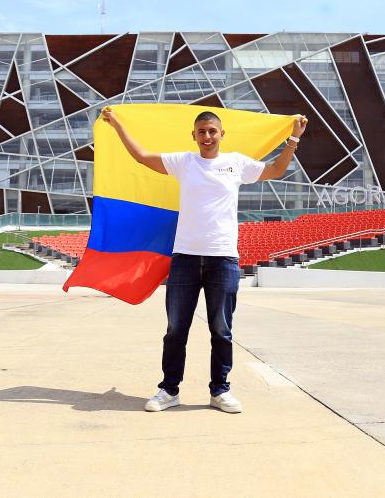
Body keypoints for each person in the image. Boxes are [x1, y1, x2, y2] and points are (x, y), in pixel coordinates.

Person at [101, 106, 308, 413]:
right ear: (194, 136)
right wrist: (117, 123)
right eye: (202, 132)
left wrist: (293, 138)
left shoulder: (236, 163)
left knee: (221, 330)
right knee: (176, 329)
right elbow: (142, 157)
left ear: (222, 134)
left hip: (222, 259)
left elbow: (276, 170)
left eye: (212, 131)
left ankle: (220, 391)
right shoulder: (184, 162)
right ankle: (169, 390)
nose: (207, 136)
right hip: (185, 258)